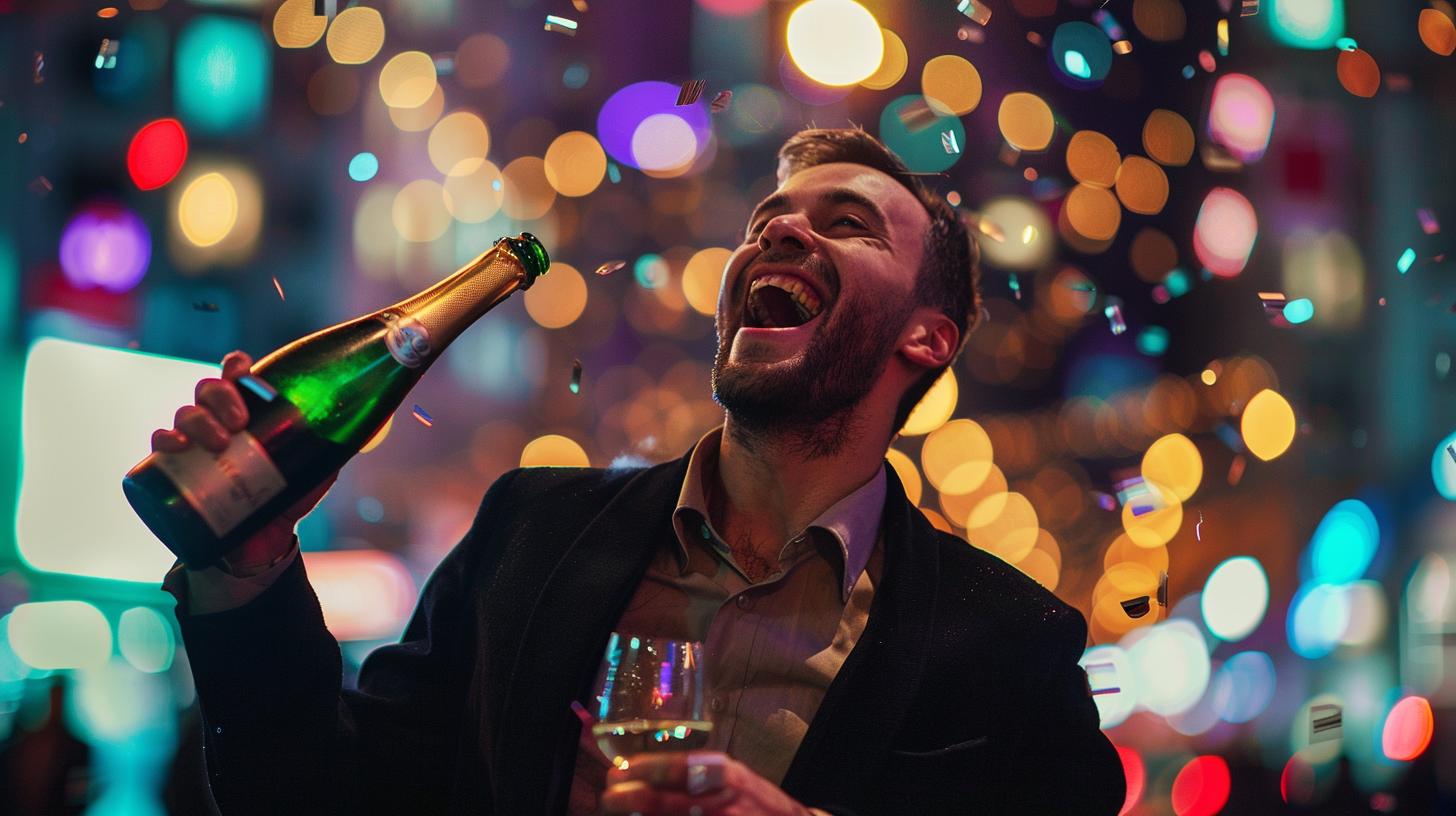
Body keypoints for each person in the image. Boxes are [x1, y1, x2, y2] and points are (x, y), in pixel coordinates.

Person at [156, 128, 1126, 815]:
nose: (779, 234)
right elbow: (331, 793)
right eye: (769, 218)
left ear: (928, 337)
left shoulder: (1010, 645)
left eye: (848, 224)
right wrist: (243, 571)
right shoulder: (531, 531)